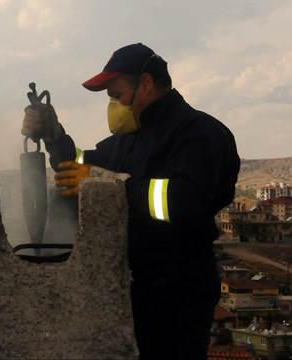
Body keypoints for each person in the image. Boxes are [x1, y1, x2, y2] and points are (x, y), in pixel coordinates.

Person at [21, 43, 240, 360]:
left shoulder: (200, 134)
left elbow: (181, 204)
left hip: (177, 292)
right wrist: (53, 133)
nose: (114, 104)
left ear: (146, 84)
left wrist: (107, 185)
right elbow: (78, 164)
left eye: (116, 94)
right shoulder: (128, 140)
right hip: (132, 285)